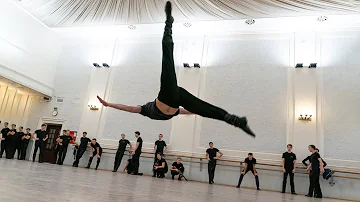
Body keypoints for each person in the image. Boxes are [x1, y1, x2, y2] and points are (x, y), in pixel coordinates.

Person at [96, 1, 255, 138]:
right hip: (179, 97)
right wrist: (197, 111)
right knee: (205, 109)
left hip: (166, 94)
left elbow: (129, 108)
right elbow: (188, 112)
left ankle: (168, 24)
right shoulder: (176, 112)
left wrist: (109, 104)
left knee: (168, 60)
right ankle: (237, 121)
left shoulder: (145, 109)